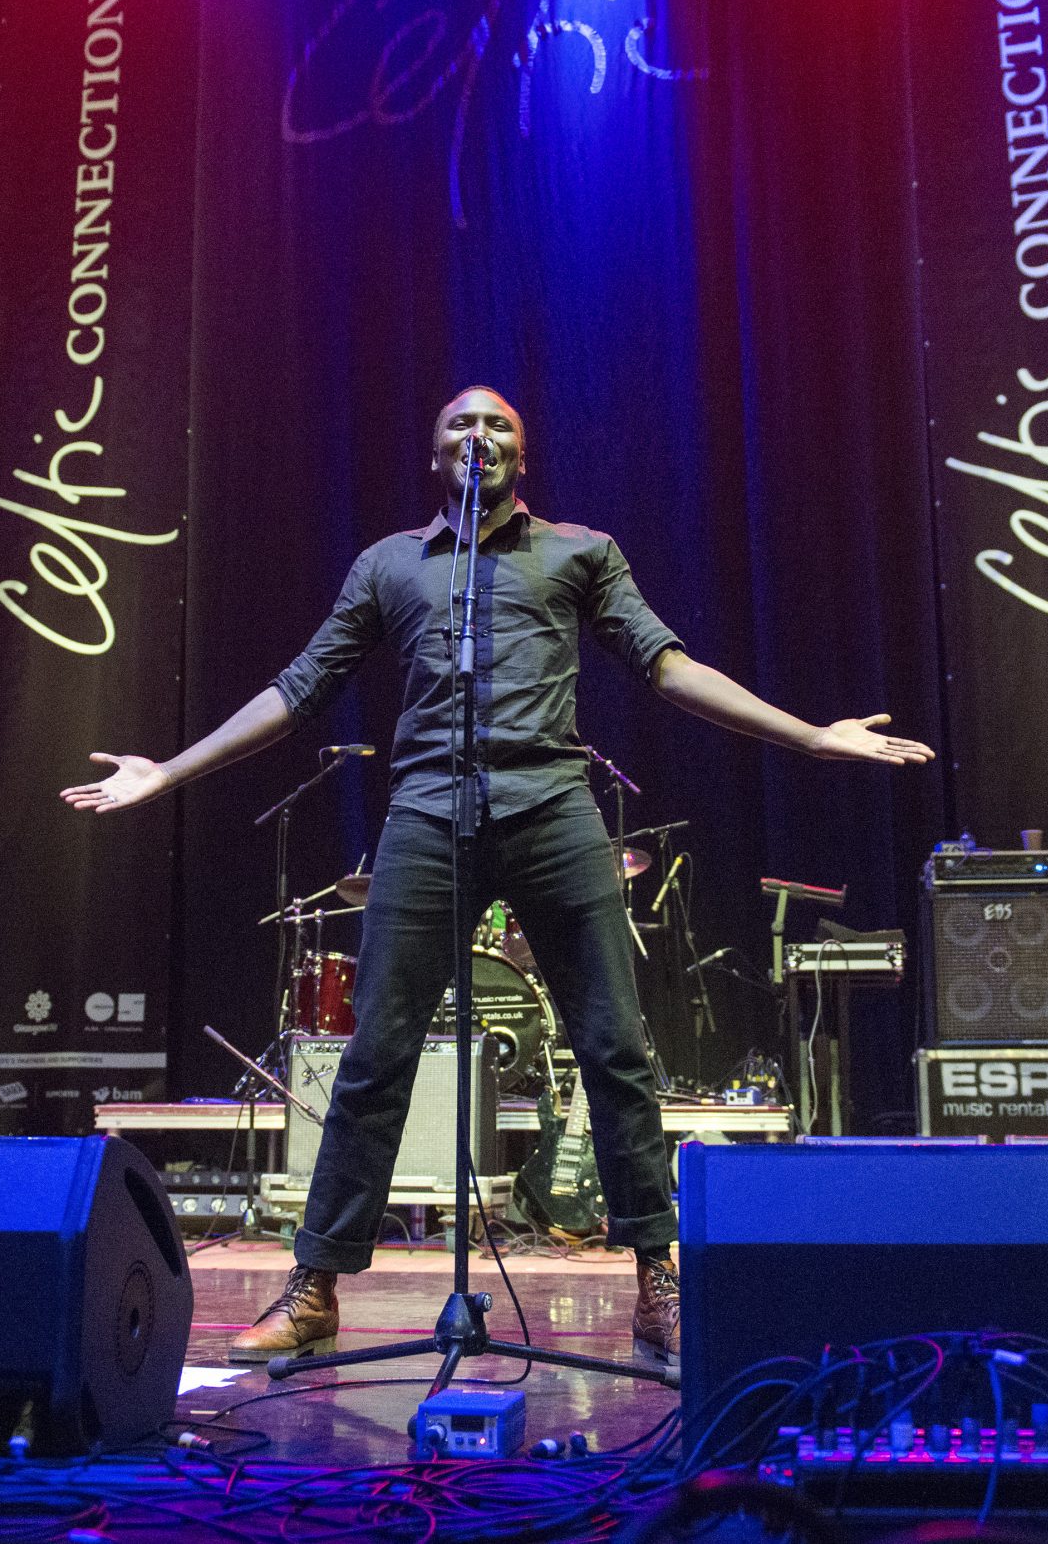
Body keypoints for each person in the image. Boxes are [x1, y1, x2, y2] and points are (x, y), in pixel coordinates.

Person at [64, 386, 933, 1372]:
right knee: (377, 1053)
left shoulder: (578, 552)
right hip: (430, 808)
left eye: (499, 426)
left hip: (551, 802)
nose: (480, 437)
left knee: (615, 1046)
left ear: (525, 451)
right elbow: (297, 688)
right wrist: (170, 769)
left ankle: (657, 1276)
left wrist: (810, 734)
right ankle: (315, 1286)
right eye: (459, 426)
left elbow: (667, 665)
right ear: (434, 454)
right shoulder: (388, 565)